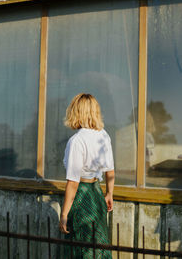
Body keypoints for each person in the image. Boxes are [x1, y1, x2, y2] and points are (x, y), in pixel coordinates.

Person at [59, 93, 114, 258]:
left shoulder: (77, 141)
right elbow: (110, 170)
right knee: (98, 244)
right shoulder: (103, 135)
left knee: (82, 246)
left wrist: (64, 214)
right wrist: (109, 193)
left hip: (82, 195)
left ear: (76, 112)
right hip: (97, 193)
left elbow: (73, 183)